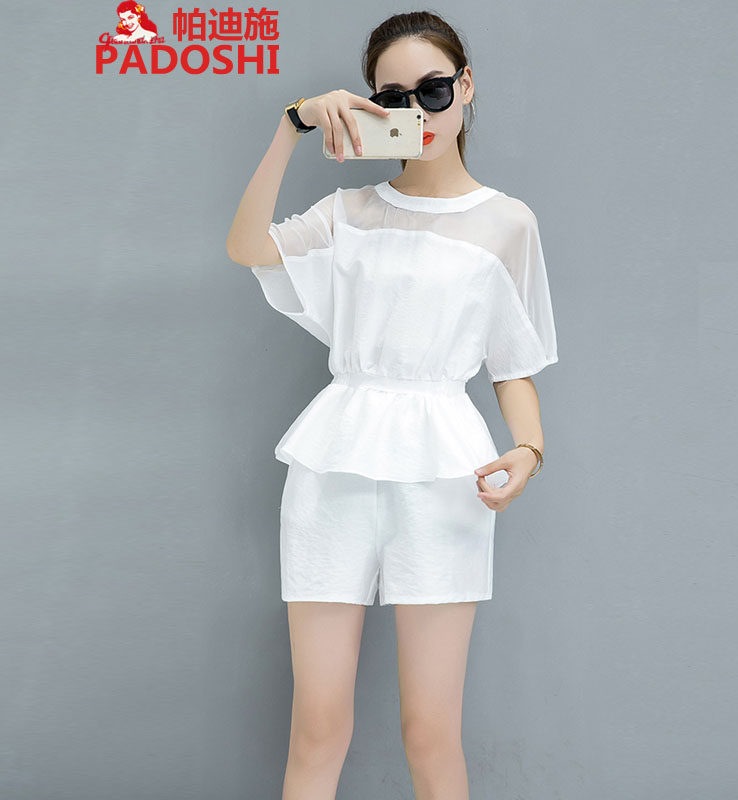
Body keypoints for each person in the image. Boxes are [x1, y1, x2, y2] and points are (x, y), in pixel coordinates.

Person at [226, 10, 558, 799]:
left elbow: (514, 363)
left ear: (466, 86)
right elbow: (247, 247)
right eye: (394, 98)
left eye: (434, 90)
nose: (419, 112)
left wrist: (528, 450)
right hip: (334, 463)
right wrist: (292, 125)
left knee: (430, 731)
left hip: (445, 473)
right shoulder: (349, 213)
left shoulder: (507, 223)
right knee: (318, 724)